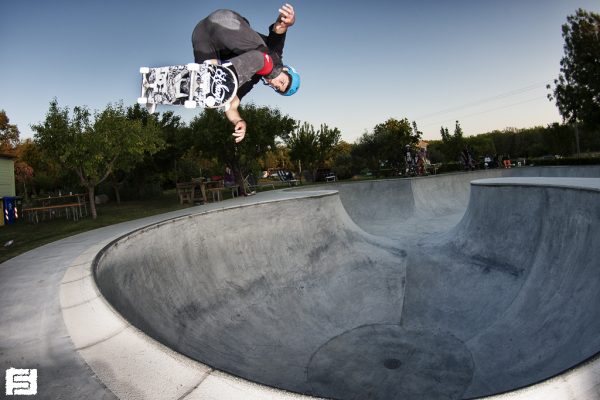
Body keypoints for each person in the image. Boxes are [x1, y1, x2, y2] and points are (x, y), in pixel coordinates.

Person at [191, 4, 300, 143]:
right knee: (268, 62)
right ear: (286, 70)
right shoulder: (275, 54)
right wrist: (286, 21)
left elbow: (231, 105)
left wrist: (239, 121)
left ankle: (209, 78)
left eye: (277, 88)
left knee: (214, 93)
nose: (274, 84)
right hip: (227, 24)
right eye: (282, 81)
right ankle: (219, 77)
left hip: (201, 36)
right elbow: (278, 30)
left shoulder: (250, 80)